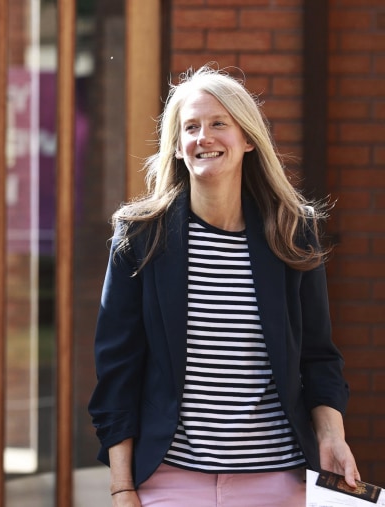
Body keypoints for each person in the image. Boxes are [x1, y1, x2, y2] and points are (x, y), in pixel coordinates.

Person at [87, 64, 359, 507]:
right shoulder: (140, 237)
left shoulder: (291, 232)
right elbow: (117, 371)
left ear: (248, 139)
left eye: (219, 124)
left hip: (277, 479)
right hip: (170, 479)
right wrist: (122, 487)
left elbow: (318, 356)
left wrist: (332, 437)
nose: (203, 137)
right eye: (190, 127)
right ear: (176, 146)